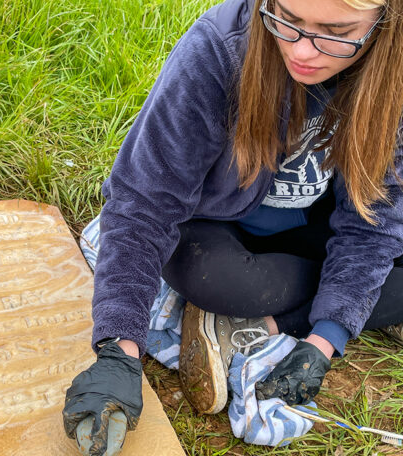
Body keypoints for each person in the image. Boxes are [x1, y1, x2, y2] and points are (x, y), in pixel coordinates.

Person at [63, 0, 403, 453]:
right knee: (220, 281)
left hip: (311, 220)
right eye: (288, 19)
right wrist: (119, 347)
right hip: (214, 229)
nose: (301, 50)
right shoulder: (220, 49)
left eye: (334, 31)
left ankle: (259, 328)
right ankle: (245, 315)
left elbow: (374, 223)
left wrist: (324, 342)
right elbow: (144, 203)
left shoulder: (393, 70)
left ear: (385, 21)